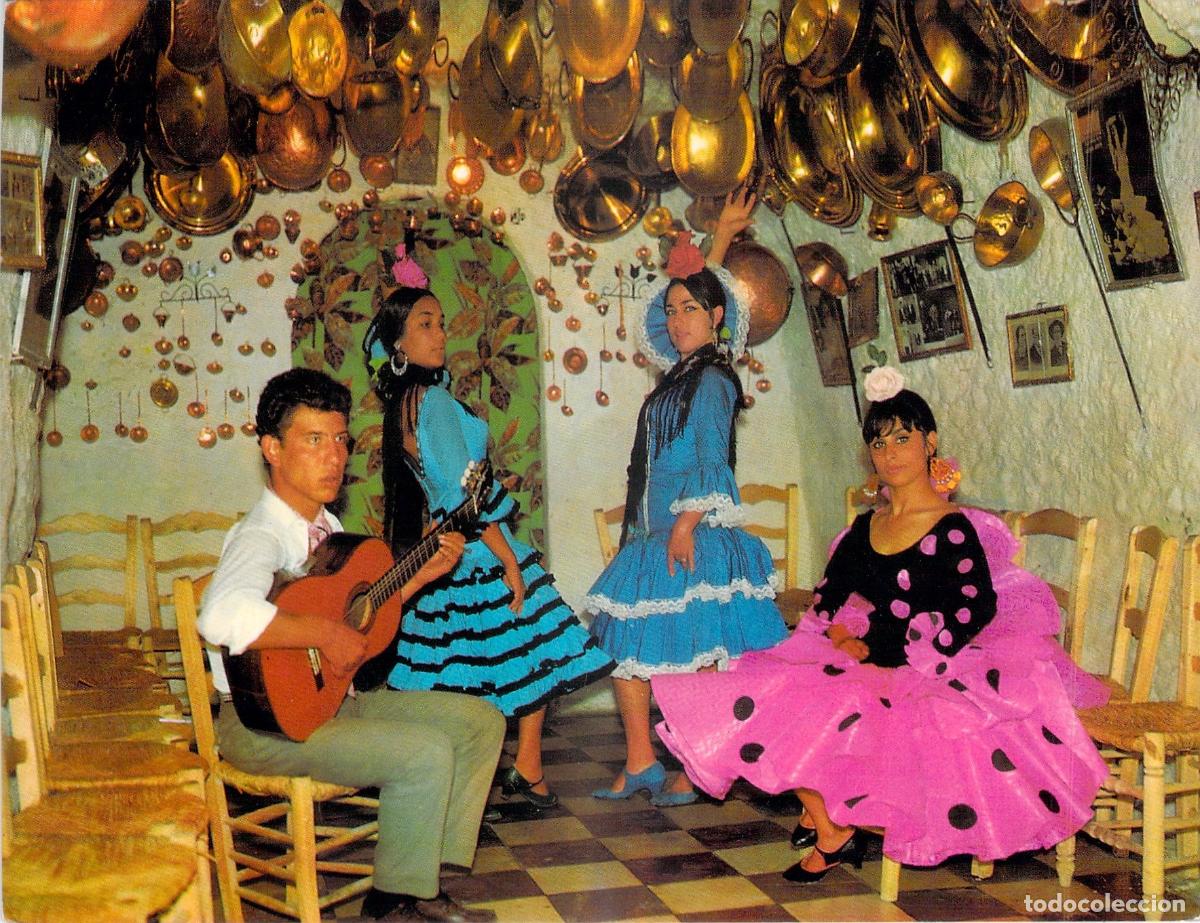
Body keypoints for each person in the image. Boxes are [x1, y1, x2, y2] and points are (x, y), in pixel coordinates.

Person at [650, 366, 1110, 880]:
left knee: (838, 709)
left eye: (902, 439)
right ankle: (829, 819)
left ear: (929, 443)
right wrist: (839, 636)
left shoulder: (951, 528)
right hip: (869, 660)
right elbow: (828, 598)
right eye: (878, 443)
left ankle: (834, 828)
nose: (889, 454)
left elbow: (976, 605)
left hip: (931, 671)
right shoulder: (868, 525)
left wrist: (928, 648)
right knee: (767, 689)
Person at [199, 368, 504, 923]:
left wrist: (415, 578)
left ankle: (421, 877)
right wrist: (324, 633)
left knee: (479, 721)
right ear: (272, 448)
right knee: (424, 752)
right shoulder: (260, 535)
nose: (334, 457)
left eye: (340, 440)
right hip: (264, 726)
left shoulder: (328, 529)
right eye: (313, 440)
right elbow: (221, 616)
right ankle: (393, 903)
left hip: (332, 703)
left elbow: (359, 618)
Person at [361, 246, 614, 810]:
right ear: (399, 342)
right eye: (425, 323)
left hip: (431, 556)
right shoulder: (435, 402)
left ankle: (507, 771)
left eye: (442, 322)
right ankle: (518, 769)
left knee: (469, 667)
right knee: (533, 646)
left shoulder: (403, 403)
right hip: (471, 551)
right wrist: (505, 559)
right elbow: (461, 493)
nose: (439, 332)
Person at [583, 190, 789, 806]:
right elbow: (702, 285)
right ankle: (643, 760)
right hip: (653, 534)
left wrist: (686, 524)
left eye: (690, 311)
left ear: (716, 318)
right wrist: (718, 237)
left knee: (693, 653)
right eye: (671, 311)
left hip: (690, 531)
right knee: (628, 655)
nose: (677, 320)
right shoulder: (681, 372)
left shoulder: (715, 376)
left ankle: (700, 764)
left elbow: (708, 457)